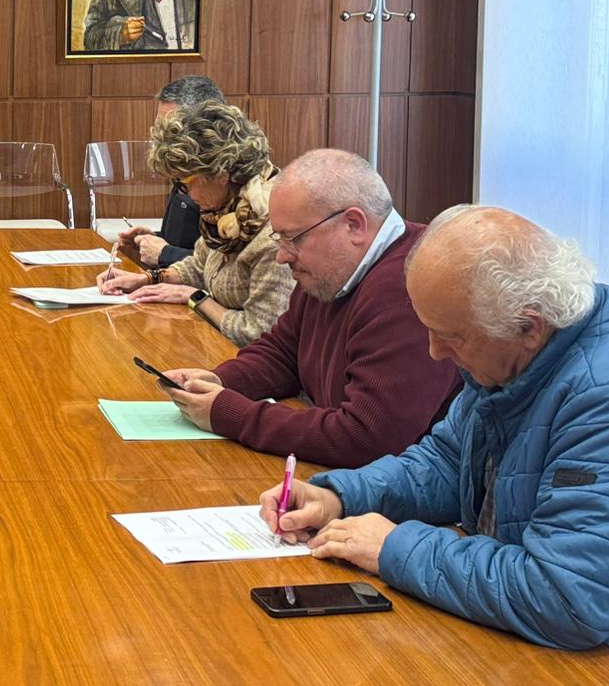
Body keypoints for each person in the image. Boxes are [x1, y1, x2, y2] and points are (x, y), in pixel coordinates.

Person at [261, 206, 609, 662]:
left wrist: (394, 547)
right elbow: (444, 461)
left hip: (607, 672)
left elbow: (567, 596)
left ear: (529, 326)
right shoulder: (512, 354)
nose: (435, 352)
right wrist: (340, 496)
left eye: (452, 337)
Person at [159, 149, 460, 468]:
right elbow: (283, 353)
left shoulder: (411, 286)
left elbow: (366, 438)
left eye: (293, 239)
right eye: (279, 238)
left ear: (354, 225)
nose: (281, 256)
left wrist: (229, 414)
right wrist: (218, 381)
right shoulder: (331, 270)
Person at [99, 102, 293, 347]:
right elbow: (199, 266)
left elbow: (259, 332)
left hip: (252, 362)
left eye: (184, 183)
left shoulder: (274, 233)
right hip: (217, 347)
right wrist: (148, 279)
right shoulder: (226, 212)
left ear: (219, 175)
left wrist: (196, 298)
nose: (184, 193)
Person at [115, 74, 226, 270]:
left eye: (172, 129)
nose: (161, 138)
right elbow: (188, 244)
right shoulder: (183, 167)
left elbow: (227, 267)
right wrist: (152, 240)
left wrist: (166, 253)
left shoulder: (229, 180)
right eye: (160, 127)